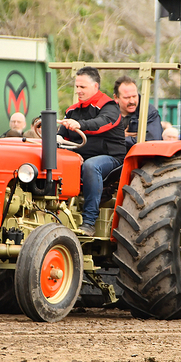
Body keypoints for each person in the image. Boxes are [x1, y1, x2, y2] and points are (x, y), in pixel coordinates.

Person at [57, 66, 124, 236]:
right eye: (77, 87)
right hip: (79, 157)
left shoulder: (109, 107)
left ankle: (89, 221)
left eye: (82, 87)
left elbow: (101, 123)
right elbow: (61, 136)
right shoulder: (72, 111)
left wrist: (80, 125)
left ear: (95, 86)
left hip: (111, 159)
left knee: (91, 166)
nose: (78, 91)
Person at [113, 75, 163, 150]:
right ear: (116, 98)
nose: (132, 101)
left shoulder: (148, 111)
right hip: (114, 156)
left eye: (134, 96)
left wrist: (119, 138)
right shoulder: (108, 111)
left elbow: (152, 140)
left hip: (141, 157)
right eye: (127, 97)